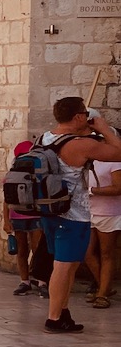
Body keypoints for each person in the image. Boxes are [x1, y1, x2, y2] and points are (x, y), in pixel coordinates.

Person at [36, 97, 121, 332]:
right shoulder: (79, 144)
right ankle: (53, 318)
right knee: (64, 266)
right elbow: (118, 152)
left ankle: (63, 313)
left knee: (68, 264)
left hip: (50, 210)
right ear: (78, 117)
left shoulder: (45, 138)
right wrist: (104, 128)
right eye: (85, 113)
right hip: (72, 216)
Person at [5, 139, 49, 299]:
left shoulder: (37, 173)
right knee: (23, 250)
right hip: (20, 215)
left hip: (31, 215)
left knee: (35, 250)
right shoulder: (14, 174)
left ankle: (40, 280)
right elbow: (7, 198)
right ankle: (26, 281)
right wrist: (6, 219)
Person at [85, 157, 121, 310]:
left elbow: (118, 188)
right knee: (86, 252)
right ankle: (104, 288)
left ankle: (102, 294)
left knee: (106, 254)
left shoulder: (115, 161)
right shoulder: (88, 161)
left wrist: (92, 191)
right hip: (89, 212)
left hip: (109, 213)